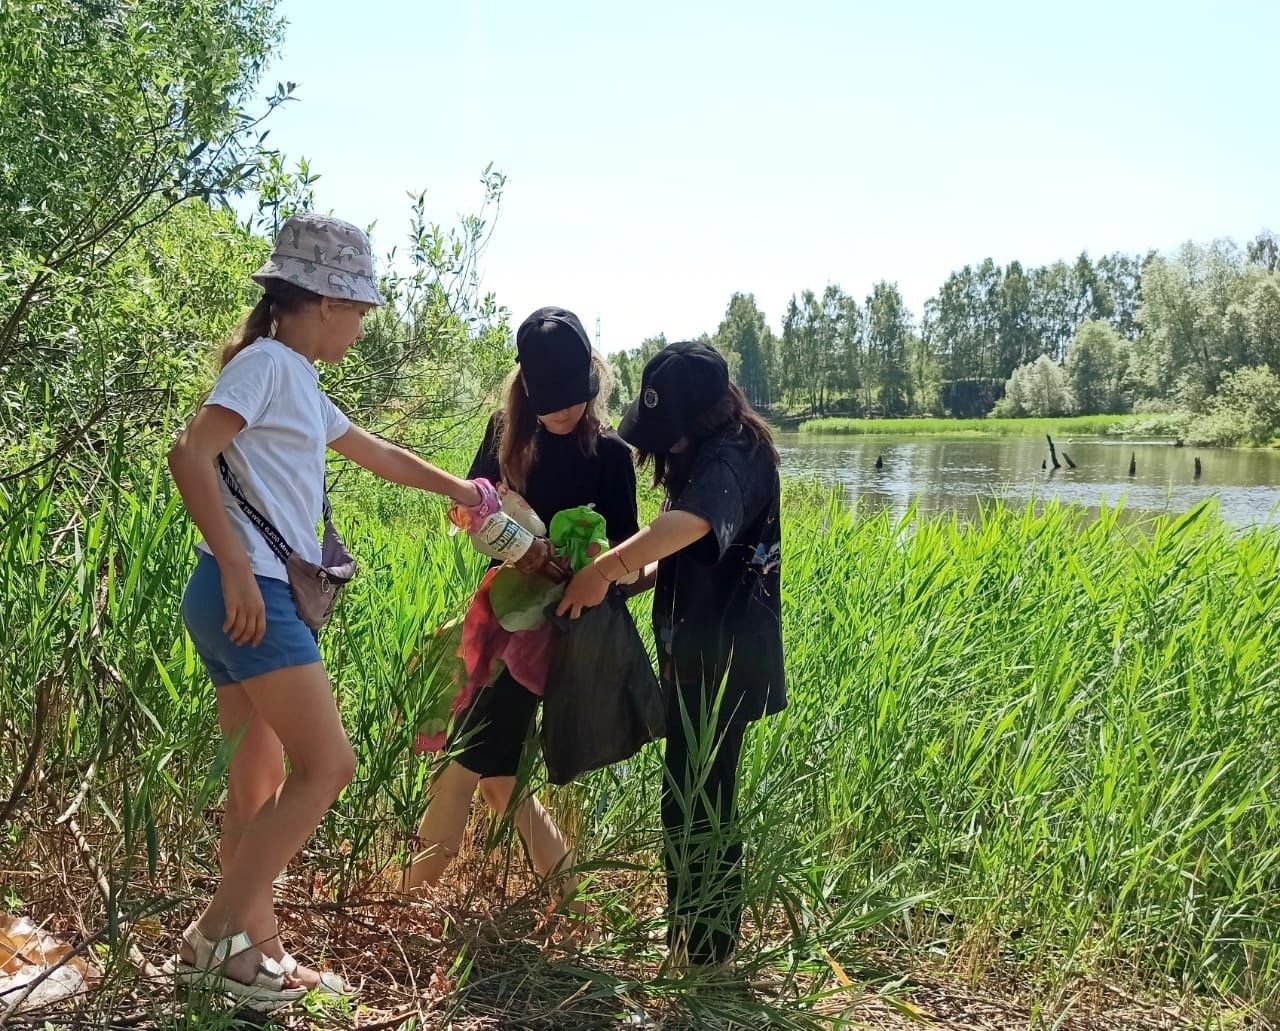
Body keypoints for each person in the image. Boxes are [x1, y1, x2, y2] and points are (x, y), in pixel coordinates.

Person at [167, 214, 490, 1010]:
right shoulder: (270, 364)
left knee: (260, 780)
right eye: (358, 311)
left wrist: (461, 490)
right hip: (252, 595)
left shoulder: (297, 378)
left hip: (237, 594)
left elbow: (373, 450)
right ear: (318, 300)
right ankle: (212, 939)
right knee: (328, 766)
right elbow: (189, 451)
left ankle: (260, 952)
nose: (362, 327)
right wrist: (241, 567)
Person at [402, 306, 639, 917]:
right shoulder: (505, 431)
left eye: (576, 398)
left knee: (468, 755)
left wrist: (582, 558)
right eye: (551, 401)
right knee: (496, 769)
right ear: (526, 388)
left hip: (559, 628)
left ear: (594, 380)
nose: (565, 412)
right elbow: (470, 505)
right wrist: (482, 520)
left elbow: (629, 561)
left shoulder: (612, 455)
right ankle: (565, 889)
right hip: (500, 611)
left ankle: (407, 891)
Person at [557, 340, 785, 971]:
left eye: (668, 431)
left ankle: (706, 954)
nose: (661, 446)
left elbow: (692, 523)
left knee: (702, 802)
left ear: (701, 417)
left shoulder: (737, 453)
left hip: (727, 662)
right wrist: (638, 574)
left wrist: (605, 570)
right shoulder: (707, 454)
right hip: (694, 653)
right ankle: (693, 936)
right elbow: (690, 545)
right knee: (689, 797)